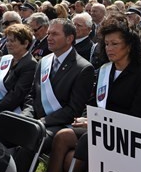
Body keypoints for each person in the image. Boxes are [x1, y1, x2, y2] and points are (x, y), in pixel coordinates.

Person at [19, 13, 141, 172]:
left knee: (64, 138)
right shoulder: (104, 70)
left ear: (129, 45)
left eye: (115, 44)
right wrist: (86, 118)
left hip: (125, 136)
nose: (109, 48)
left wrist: (95, 121)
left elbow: (137, 117)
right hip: (97, 130)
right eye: (106, 43)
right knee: (70, 159)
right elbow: (91, 104)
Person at [22, 18, 94, 152]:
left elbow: (73, 110)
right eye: (48, 33)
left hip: (60, 125)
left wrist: (42, 122)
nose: (49, 38)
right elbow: (32, 96)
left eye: (55, 34)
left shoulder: (83, 68)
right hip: (36, 120)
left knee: (30, 139)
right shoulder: (44, 62)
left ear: (69, 38)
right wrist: (26, 116)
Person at [0, 24, 37, 117]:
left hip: (11, 111)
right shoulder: (3, 60)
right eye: (7, 40)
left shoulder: (30, 64)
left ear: (25, 43)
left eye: (12, 41)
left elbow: (17, 96)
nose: (8, 44)